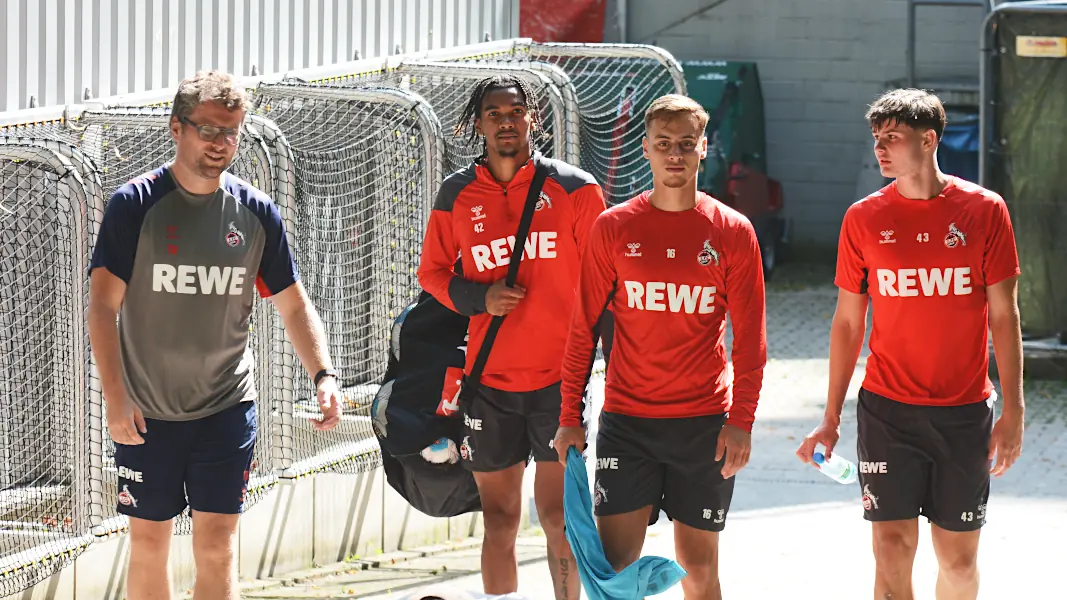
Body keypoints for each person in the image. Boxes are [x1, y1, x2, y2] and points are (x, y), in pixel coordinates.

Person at [87, 70, 342, 600]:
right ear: (176, 128)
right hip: (148, 411)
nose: (221, 144)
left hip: (226, 406)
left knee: (217, 545)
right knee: (150, 542)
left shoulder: (256, 213)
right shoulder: (134, 205)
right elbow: (102, 307)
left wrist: (323, 374)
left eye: (231, 133)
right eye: (208, 131)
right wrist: (116, 397)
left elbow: (294, 305)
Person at [795, 88, 1025, 600]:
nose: (881, 147)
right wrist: (830, 418)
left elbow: (1004, 316)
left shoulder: (984, 210)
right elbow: (848, 324)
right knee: (892, 550)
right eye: (877, 137)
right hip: (887, 413)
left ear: (929, 139)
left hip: (963, 413)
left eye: (893, 137)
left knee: (959, 564)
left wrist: (1013, 410)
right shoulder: (863, 217)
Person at [553, 94, 768, 600]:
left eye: (686, 145)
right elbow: (582, 329)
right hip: (630, 425)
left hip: (705, 428)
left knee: (698, 569)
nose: (675, 155)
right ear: (646, 149)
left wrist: (742, 421)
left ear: (703, 150)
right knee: (615, 570)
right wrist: (568, 416)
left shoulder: (733, 232)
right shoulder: (614, 228)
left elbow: (752, 342)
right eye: (665, 144)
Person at [417, 75, 607, 600]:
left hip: (558, 383)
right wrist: (481, 299)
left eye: (515, 111)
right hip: (490, 383)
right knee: (499, 522)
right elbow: (432, 273)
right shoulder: (456, 193)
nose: (506, 120)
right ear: (478, 123)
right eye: (494, 112)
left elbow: (606, 277)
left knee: (557, 519)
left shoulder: (574, 188)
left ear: (533, 120)